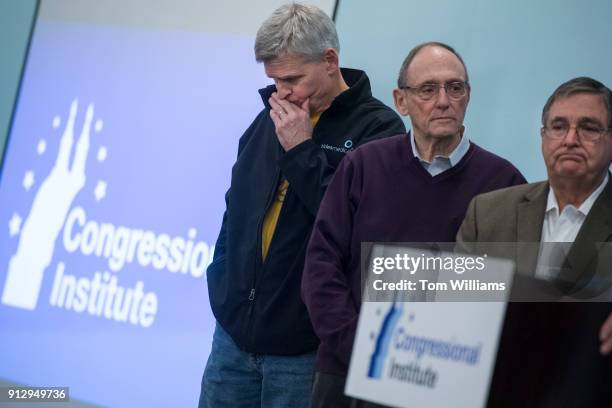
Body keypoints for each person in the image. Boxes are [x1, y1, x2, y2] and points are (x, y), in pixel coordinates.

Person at [199, 4, 405, 407]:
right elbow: (234, 211)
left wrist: (301, 149)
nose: (282, 93)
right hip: (232, 340)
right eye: (275, 80)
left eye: (292, 78)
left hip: (302, 351)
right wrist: (223, 282)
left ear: (330, 60)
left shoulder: (379, 130)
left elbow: (356, 224)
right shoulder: (269, 119)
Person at [302, 42, 525, 407]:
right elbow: (321, 265)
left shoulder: (505, 183)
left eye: (455, 88)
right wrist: (360, 344)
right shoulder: (363, 165)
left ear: (468, 96)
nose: (443, 100)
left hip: (444, 380)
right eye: (427, 89)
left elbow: (513, 293)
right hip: (349, 369)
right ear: (401, 101)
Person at [457, 76, 612, 407]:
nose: (570, 139)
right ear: (543, 137)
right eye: (558, 126)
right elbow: (456, 313)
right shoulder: (488, 213)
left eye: (589, 128)